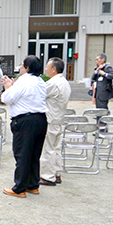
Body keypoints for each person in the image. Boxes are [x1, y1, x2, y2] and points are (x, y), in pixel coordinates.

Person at [0, 55, 48, 198]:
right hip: (40, 119)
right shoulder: (40, 81)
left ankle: (19, 187)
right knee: (34, 154)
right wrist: (13, 87)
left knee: (22, 153)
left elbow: (7, 98)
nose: (20, 68)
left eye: (21, 65)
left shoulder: (24, 80)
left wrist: (7, 87)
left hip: (25, 121)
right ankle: (33, 185)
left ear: (27, 68)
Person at [39, 57, 71, 186]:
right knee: (56, 148)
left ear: (54, 69)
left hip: (50, 119)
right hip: (58, 119)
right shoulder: (64, 82)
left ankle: (47, 176)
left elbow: (39, 93)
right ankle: (57, 173)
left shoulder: (53, 83)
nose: (46, 69)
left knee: (48, 149)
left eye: (48, 66)